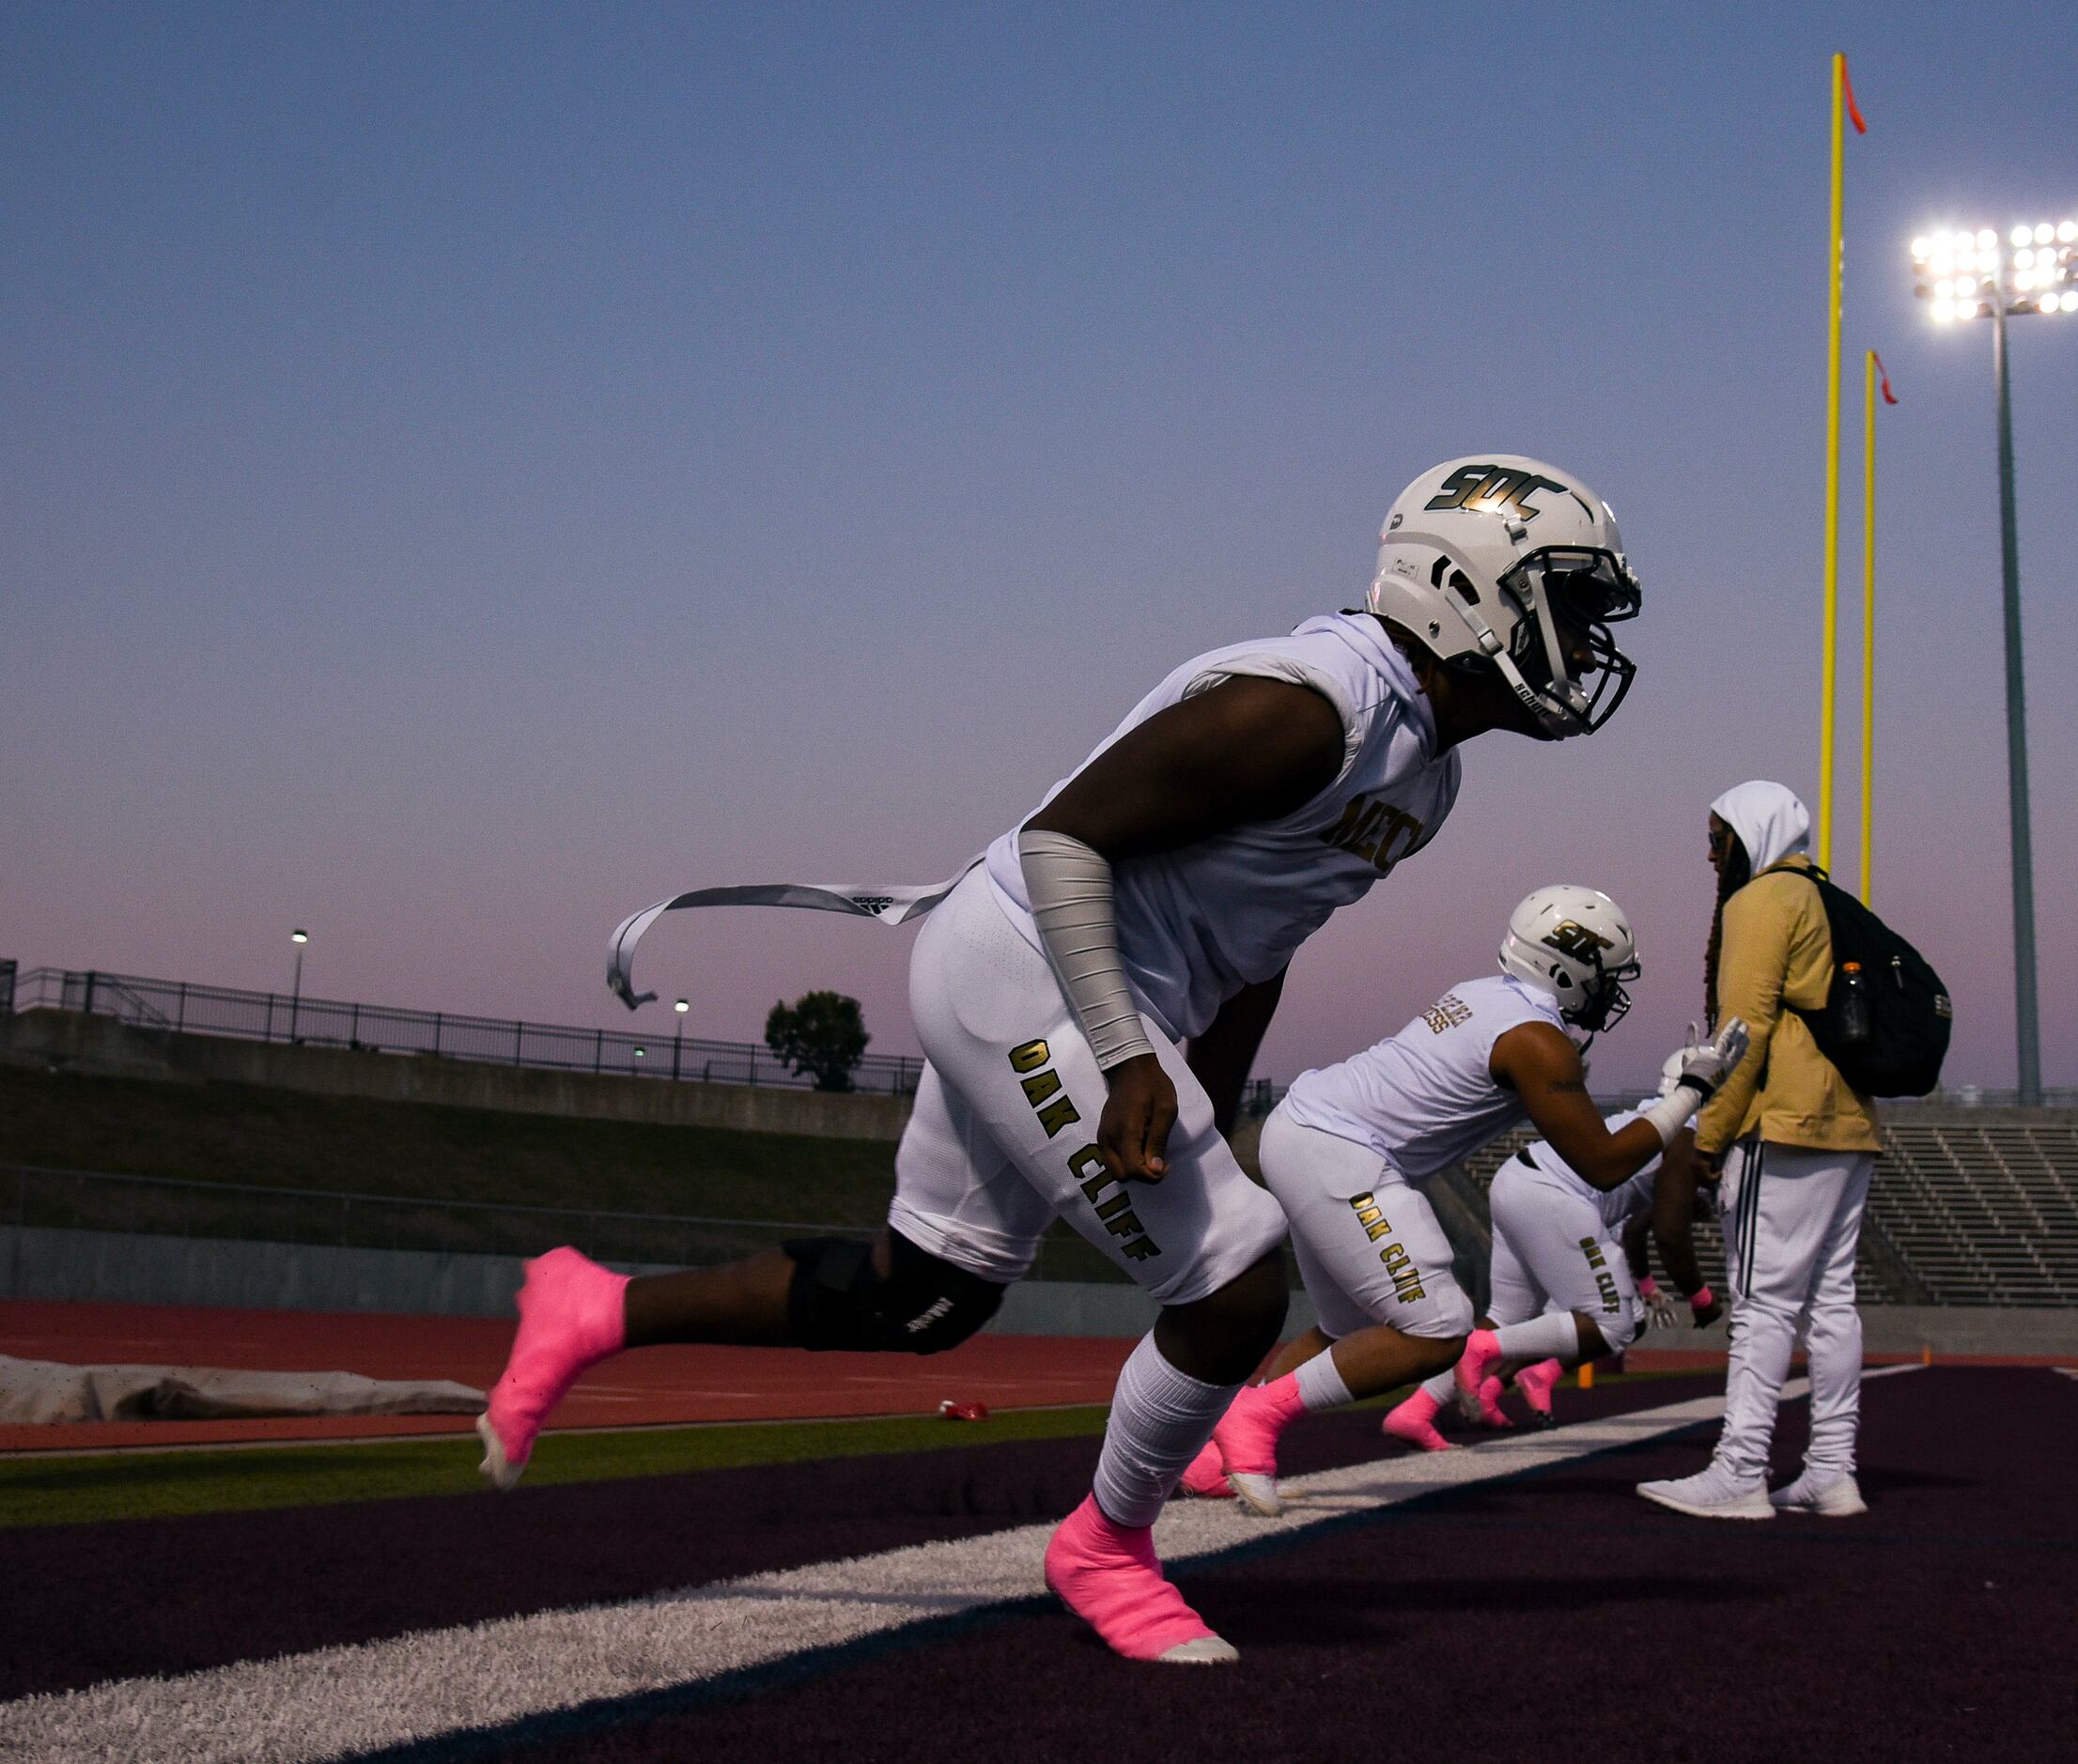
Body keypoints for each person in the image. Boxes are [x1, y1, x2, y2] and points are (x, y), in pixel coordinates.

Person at [472, 456, 1649, 1663]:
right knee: (1235, 1281)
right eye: (1566, 604)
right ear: (1465, 586)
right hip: (1035, 961)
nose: (1582, 640)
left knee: (921, 1299)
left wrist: (1208, 1077)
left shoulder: (1428, 772)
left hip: (1083, 984)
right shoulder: (1315, 707)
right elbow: (1063, 841)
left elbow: (1263, 936)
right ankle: (1105, 1546)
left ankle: (595, 1307)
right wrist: (1127, 1050)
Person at [1179, 886, 1745, 1512]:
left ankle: (1211, 1455)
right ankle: (1254, 1418)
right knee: (1439, 1326)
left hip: (1305, 1127)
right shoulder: (1536, 1038)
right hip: (1340, 1149)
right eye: (1605, 976)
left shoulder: (1484, 995)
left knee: (1349, 1329)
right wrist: (1690, 1090)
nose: (1611, 991)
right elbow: (1602, 1163)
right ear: (1565, 967)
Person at [1636, 780, 1883, 1522]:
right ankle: (1831, 1471)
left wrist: (1708, 1136)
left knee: (1763, 1304)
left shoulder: (1761, 901)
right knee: (1831, 1303)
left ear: (1751, 835)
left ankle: (1740, 1470)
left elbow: (1742, 1032)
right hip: (1846, 1119)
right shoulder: (1824, 898)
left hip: (1784, 1121)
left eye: (1719, 839)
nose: (1712, 855)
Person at [1434, 1064, 1723, 1443]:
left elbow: (1646, 1219)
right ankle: (1523, 1370)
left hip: (1521, 1181)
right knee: (1619, 1322)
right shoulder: (1687, 1133)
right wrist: (1699, 1297)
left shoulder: (1651, 1119)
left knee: (1509, 1316)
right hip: (1557, 1203)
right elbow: (1661, 1234)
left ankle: (1426, 1405)